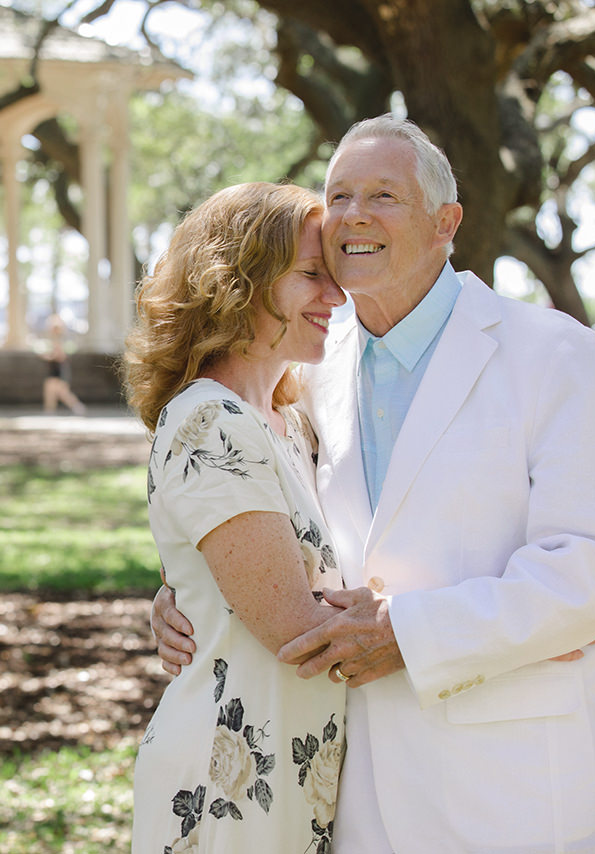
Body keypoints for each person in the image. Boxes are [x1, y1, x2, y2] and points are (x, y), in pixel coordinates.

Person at [151, 114, 595, 853]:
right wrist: (187, 593)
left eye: (384, 196)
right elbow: (256, 512)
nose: (353, 215)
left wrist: (413, 632)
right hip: (357, 785)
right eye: (339, 195)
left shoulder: (554, 353)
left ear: (446, 222)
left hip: (514, 779)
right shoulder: (307, 369)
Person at [123, 181, 348, 853]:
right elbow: (295, 628)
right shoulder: (207, 419)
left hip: (292, 771)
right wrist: (468, 622)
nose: (335, 297)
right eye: (312, 275)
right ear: (239, 282)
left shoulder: (290, 418)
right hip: (231, 785)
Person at [42, 313, 86, 414]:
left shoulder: (62, 340)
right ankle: (50, 410)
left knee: (62, 392)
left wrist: (51, 356)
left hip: (59, 369)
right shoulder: (52, 340)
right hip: (53, 369)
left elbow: (61, 357)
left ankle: (77, 407)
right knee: (50, 390)